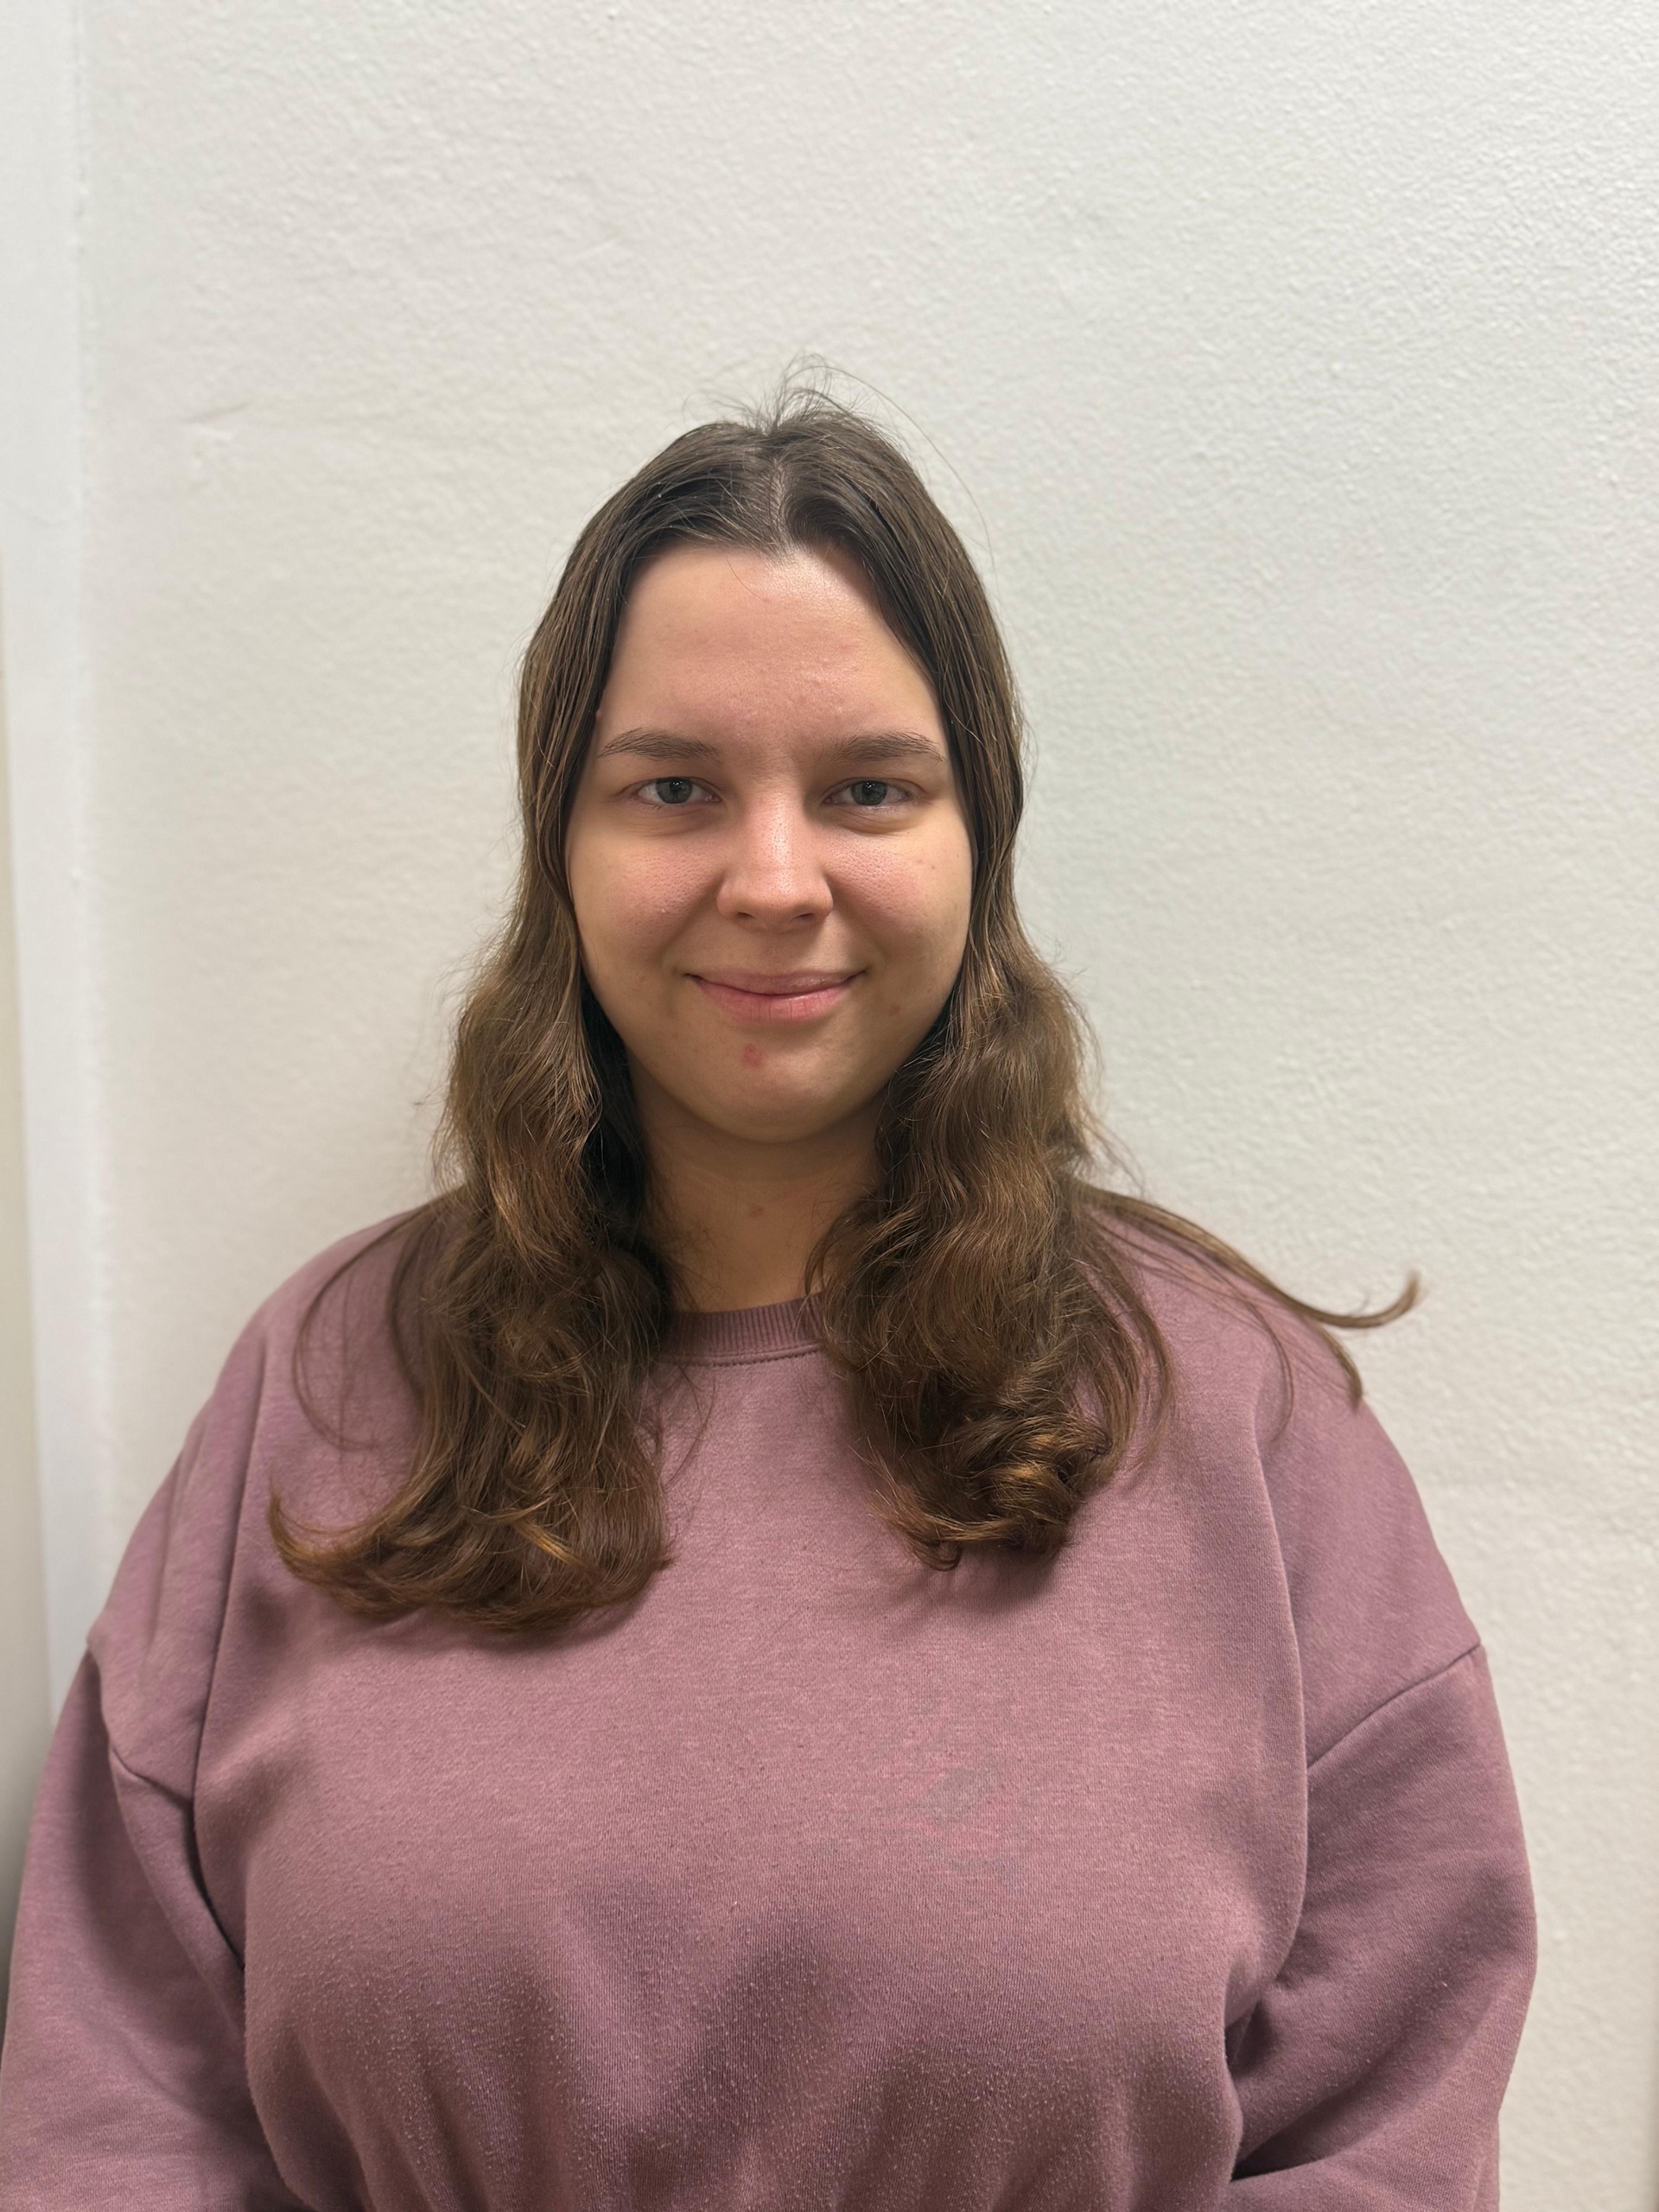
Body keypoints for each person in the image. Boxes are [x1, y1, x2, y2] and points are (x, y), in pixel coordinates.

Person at [0, 391, 1534, 2209]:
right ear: (561, 848)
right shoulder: (325, 1382)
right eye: (673, 788)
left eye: (870, 787)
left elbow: (1388, 2128)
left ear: (981, 839)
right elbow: (118, 2109)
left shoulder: (1236, 1413)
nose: (775, 879)